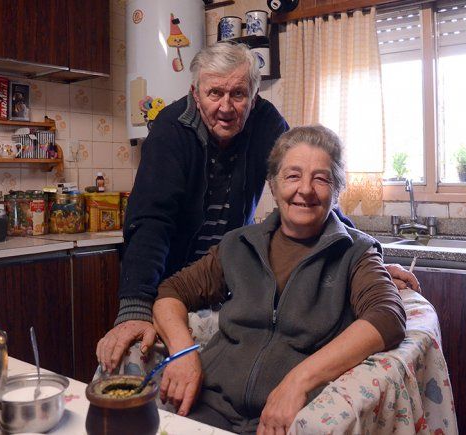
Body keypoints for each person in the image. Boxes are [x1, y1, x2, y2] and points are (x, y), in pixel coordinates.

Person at [96, 43, 418, 373]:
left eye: (238, 94)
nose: (226, 106)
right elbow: (152, 220)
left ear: (254, 95)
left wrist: (365, 256)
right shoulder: (170, 130)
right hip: (174, 282)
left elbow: (309, 195)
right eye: (214, 93)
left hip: (228, 275)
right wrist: (136, 306)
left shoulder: (267, 124)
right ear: (196, 93)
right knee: (137, 363)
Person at [153, 125, 406, 433]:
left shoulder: (357, 252)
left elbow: (388, 317)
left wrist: (298, 381)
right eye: (292, 175)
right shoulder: (238, 244)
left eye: (321, 178)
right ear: (273, 185)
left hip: (295, 419)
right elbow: (172, 291)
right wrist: (183, 352)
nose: (306, 189)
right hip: (208, 407)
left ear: (337, 190)